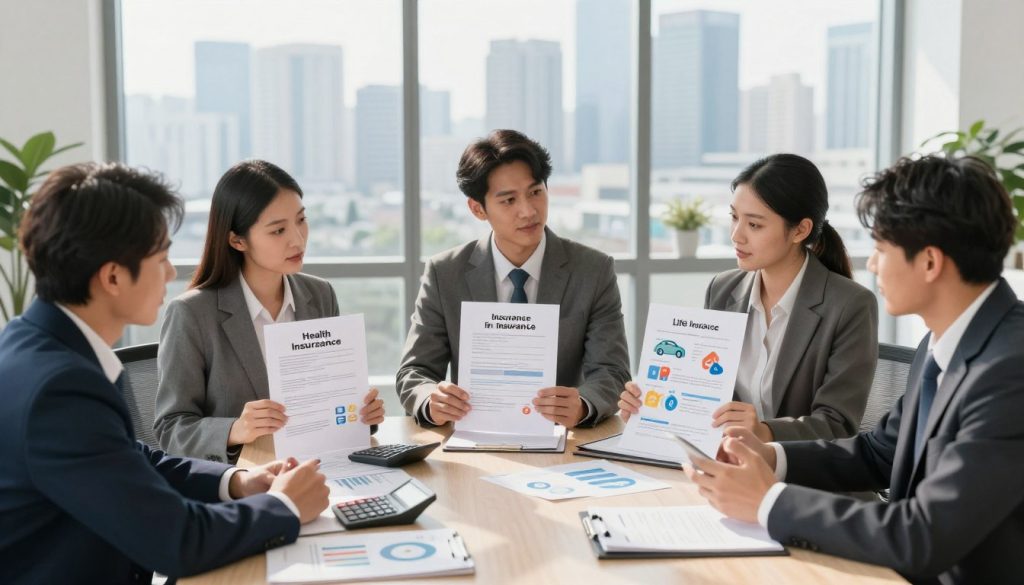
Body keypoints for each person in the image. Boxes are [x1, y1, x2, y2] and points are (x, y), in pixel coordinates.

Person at [687, 155, 1024, 584]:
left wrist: (768, 502)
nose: (871, 265)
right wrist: (767, 455)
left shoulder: (1010, 369)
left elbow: (923, 534)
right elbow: (877, 453)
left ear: (929, 262)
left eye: (882, 249)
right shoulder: (942, 342)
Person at [0, 163, 330, 584]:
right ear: (114, 276)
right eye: (160, 258)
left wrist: (238, 481)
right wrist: (284, 506)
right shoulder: (59, 388)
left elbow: (134, 460)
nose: (172, 274)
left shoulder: (49, 348)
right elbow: (177, 541)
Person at [619, 154, 878, 440]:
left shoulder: (850, 305)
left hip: (797, 474)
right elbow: (703, 393)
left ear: (800, 230)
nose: (736, 235)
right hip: (726, 463)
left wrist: (765, 431)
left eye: (754, 225)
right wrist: (651, 407)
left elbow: (837, 425)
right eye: (734, 217)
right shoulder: (723, 289)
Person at [396, 129, 631, 429]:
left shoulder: (593, 270)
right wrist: (432, 400)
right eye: (508, 200)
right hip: (475, 438)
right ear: (477, 208)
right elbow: (414, 373)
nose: (528, 211)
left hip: (564, 439)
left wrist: (583, 405)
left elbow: (612, 372)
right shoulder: (445, 273)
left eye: (536, 192)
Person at [155, 160, 384, 463]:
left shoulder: (320, 295)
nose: (297, 239)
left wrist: (362, 411)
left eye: (301, 220)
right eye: (278, 230)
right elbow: (170, 429)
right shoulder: (191, 313)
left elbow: (330, 403)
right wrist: (235, 429)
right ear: (237, 240)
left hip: (323, 467)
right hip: (244, 483)